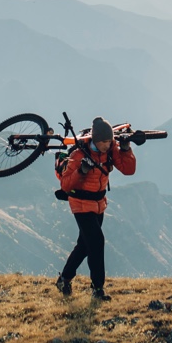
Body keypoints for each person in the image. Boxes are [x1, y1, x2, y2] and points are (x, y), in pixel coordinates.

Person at [55, 117, 136, 301]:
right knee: (97, 242)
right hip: (80, 204)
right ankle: (97, 290)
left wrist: (125, 149)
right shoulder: (78, 155)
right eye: (103, 142)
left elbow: (128, 170)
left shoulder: (111, 150)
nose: (107, 145)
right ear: (94, 140)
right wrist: (81, 171)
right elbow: (66, 185)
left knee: (85, 245)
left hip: (99, 204)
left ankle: (64, 279)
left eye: (109, 141)